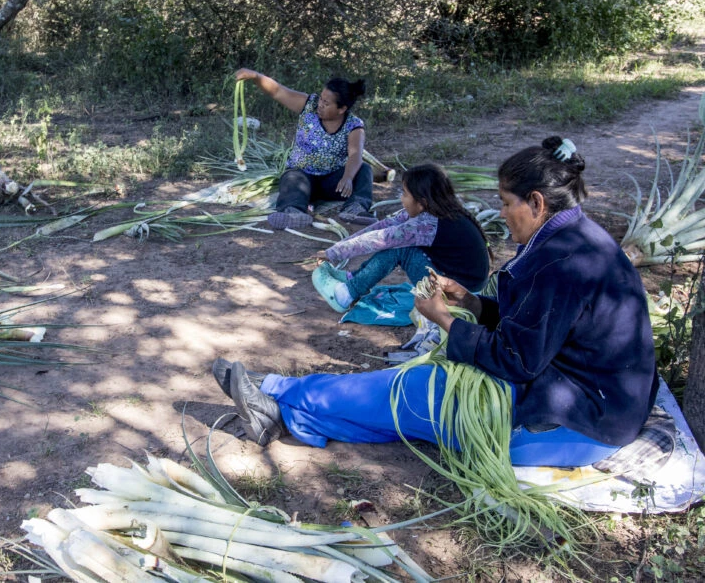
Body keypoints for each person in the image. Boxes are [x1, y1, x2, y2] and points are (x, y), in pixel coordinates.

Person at [213, 136, 659, 470]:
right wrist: (474, 303)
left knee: (411, 394)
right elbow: (535, 322)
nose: (502, 214)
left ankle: (276, 392)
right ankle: (285, 409)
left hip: (575, 421)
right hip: (580, 396)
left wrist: (446, 320)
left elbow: (516, 360)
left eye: (506, 204)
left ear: (537, 202)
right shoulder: (572, 237)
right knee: (403, 400)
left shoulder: (565, 262)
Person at [311, 163, 489, 314]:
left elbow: (378, 239)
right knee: (398, 243)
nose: (401, 199)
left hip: (461, 297)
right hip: (465, 289)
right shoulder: (437, 210)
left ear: (422, 202)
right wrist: (338, 247)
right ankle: (355, 277)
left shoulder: (426, 225)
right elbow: (384, 227)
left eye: (404, 194)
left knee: (402, 249)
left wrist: (334, 253)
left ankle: (346, 294)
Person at [234, 68, 374, 229]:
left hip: (333, 183)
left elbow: (355, 155)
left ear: (341, 109)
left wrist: (348, 177)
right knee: (291, 177)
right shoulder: (309, 105)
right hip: (302, 178)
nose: (320, 105)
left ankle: (356, 208)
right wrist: (256, 76)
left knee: (364, 169)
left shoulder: (354, 125)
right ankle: (293, 213)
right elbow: (278, 91)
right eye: (321, 99)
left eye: (326, 103)